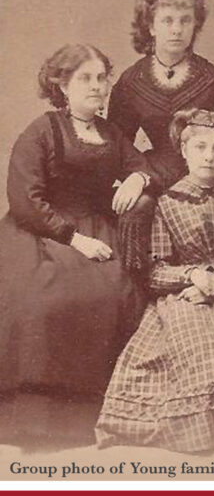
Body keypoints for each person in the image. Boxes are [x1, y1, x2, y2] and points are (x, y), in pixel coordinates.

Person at [96, 109, 214, 452]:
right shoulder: (168, 202)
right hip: (183, 293)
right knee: (201, 348)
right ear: (184, 151)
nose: (208, 157)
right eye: (199, 147)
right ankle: (197, 434)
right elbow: (155, 271)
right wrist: (192, 275)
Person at [0, 45, 149, 442]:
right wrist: (74, 238)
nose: (97, 87)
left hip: (97, 226)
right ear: (62, 85)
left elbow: (139, 164)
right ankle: (41, 417)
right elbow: (25, 199)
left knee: (120, 290)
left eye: (102, 78)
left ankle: (102, 413)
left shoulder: (110, 134)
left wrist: (138, 179)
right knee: (47, 297)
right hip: (42, 232)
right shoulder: (43, 130)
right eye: (86, 78)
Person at [108, 0, 214, 273]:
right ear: (150, 27)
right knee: (135, 207)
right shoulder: (132, 80)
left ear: (195, 28)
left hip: (208, 167)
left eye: (185, 21)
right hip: (156, 168)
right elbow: (118, 142)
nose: (176, 29)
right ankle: (136, 291)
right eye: (167, 21)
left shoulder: (210, 77)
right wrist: (139, 175)